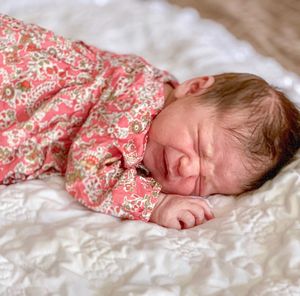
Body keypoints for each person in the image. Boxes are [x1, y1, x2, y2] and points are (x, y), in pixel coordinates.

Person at [0, 14, 299, 229]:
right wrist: (154, 204)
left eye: (202, 183)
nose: (187, 167)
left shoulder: (159, 119)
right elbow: (87, 170)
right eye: (198, 145)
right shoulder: (139, 97)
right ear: (192, 88)